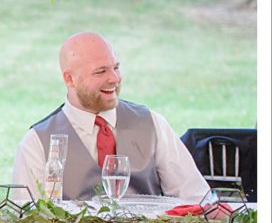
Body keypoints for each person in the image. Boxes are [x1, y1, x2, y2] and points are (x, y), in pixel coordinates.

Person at [12, 31, 211, 201]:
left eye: (115, 68)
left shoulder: (152, 123)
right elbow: (27, 219)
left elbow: (195, 197)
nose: (114, 79)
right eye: (101, 72)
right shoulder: (36, 142)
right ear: (70, 79)